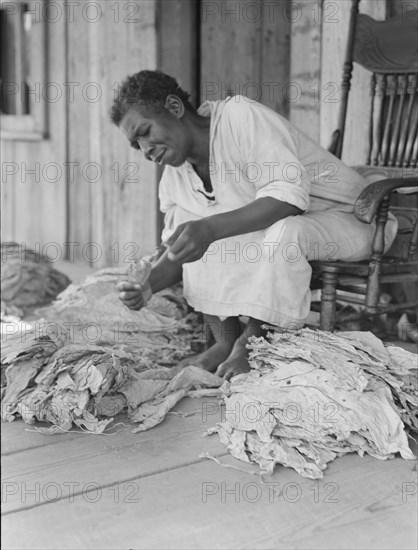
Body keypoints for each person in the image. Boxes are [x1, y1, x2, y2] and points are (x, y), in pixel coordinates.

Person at [109, 70, 397, 380]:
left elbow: (288, 198)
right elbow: (176, 250)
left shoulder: (240, 118)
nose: (146, 149)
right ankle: (225, 342)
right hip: (298, 224)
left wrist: (208, 229)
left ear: (175, 108)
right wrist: (148, 284)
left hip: (354, 219)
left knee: (281, 230)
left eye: (145, 131)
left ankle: (253, 342)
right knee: (197, 232)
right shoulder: (175, 177)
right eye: (136, 145)